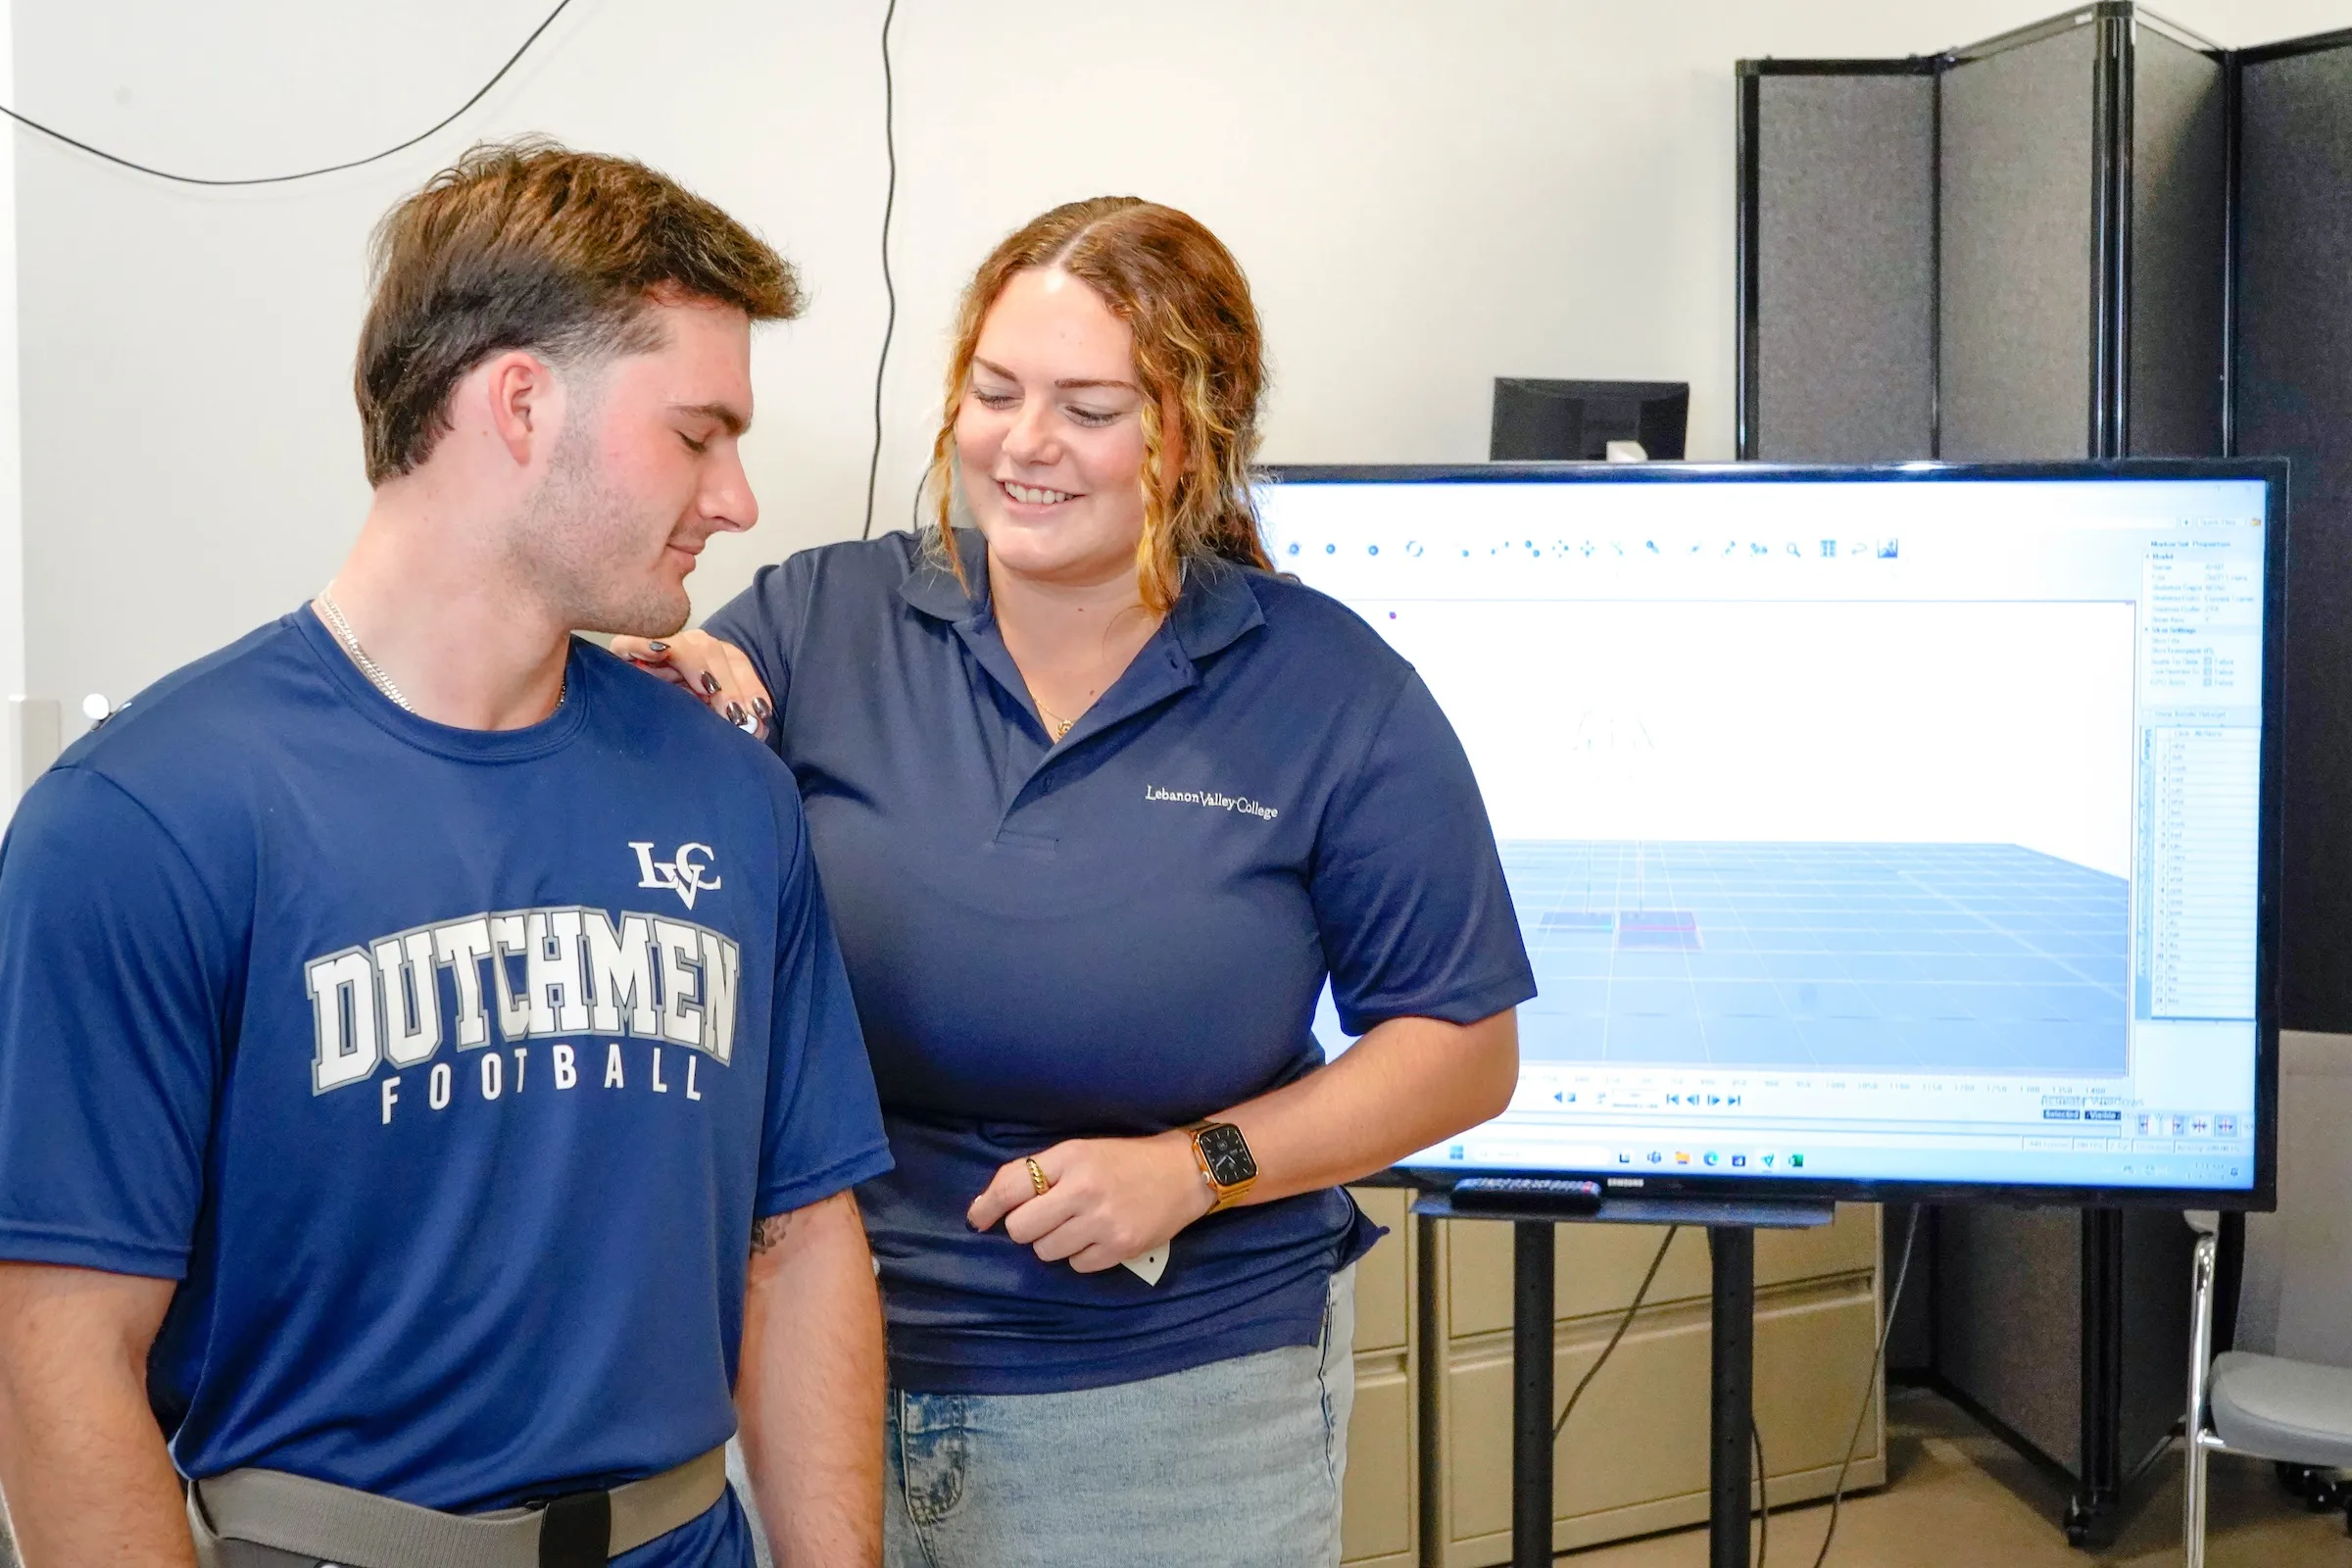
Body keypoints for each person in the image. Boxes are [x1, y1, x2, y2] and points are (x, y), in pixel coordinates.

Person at [0, 141, 894, 1568]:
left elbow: (800, 1245)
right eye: (697, 433)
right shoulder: (144, 821)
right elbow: (59, 1360)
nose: (737, 499)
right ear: (522, 403)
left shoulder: (730, 798)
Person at [620, 196, 1534, 1567]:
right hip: (813, 1372)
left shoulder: (1329, 689)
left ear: (1195, 428)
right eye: (995, 392)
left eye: (1089, 408)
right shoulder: (828, 621)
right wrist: (644, 683)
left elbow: (1461, 1047)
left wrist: (1199, 1166)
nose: (1024, 444)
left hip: (1174, 1401)